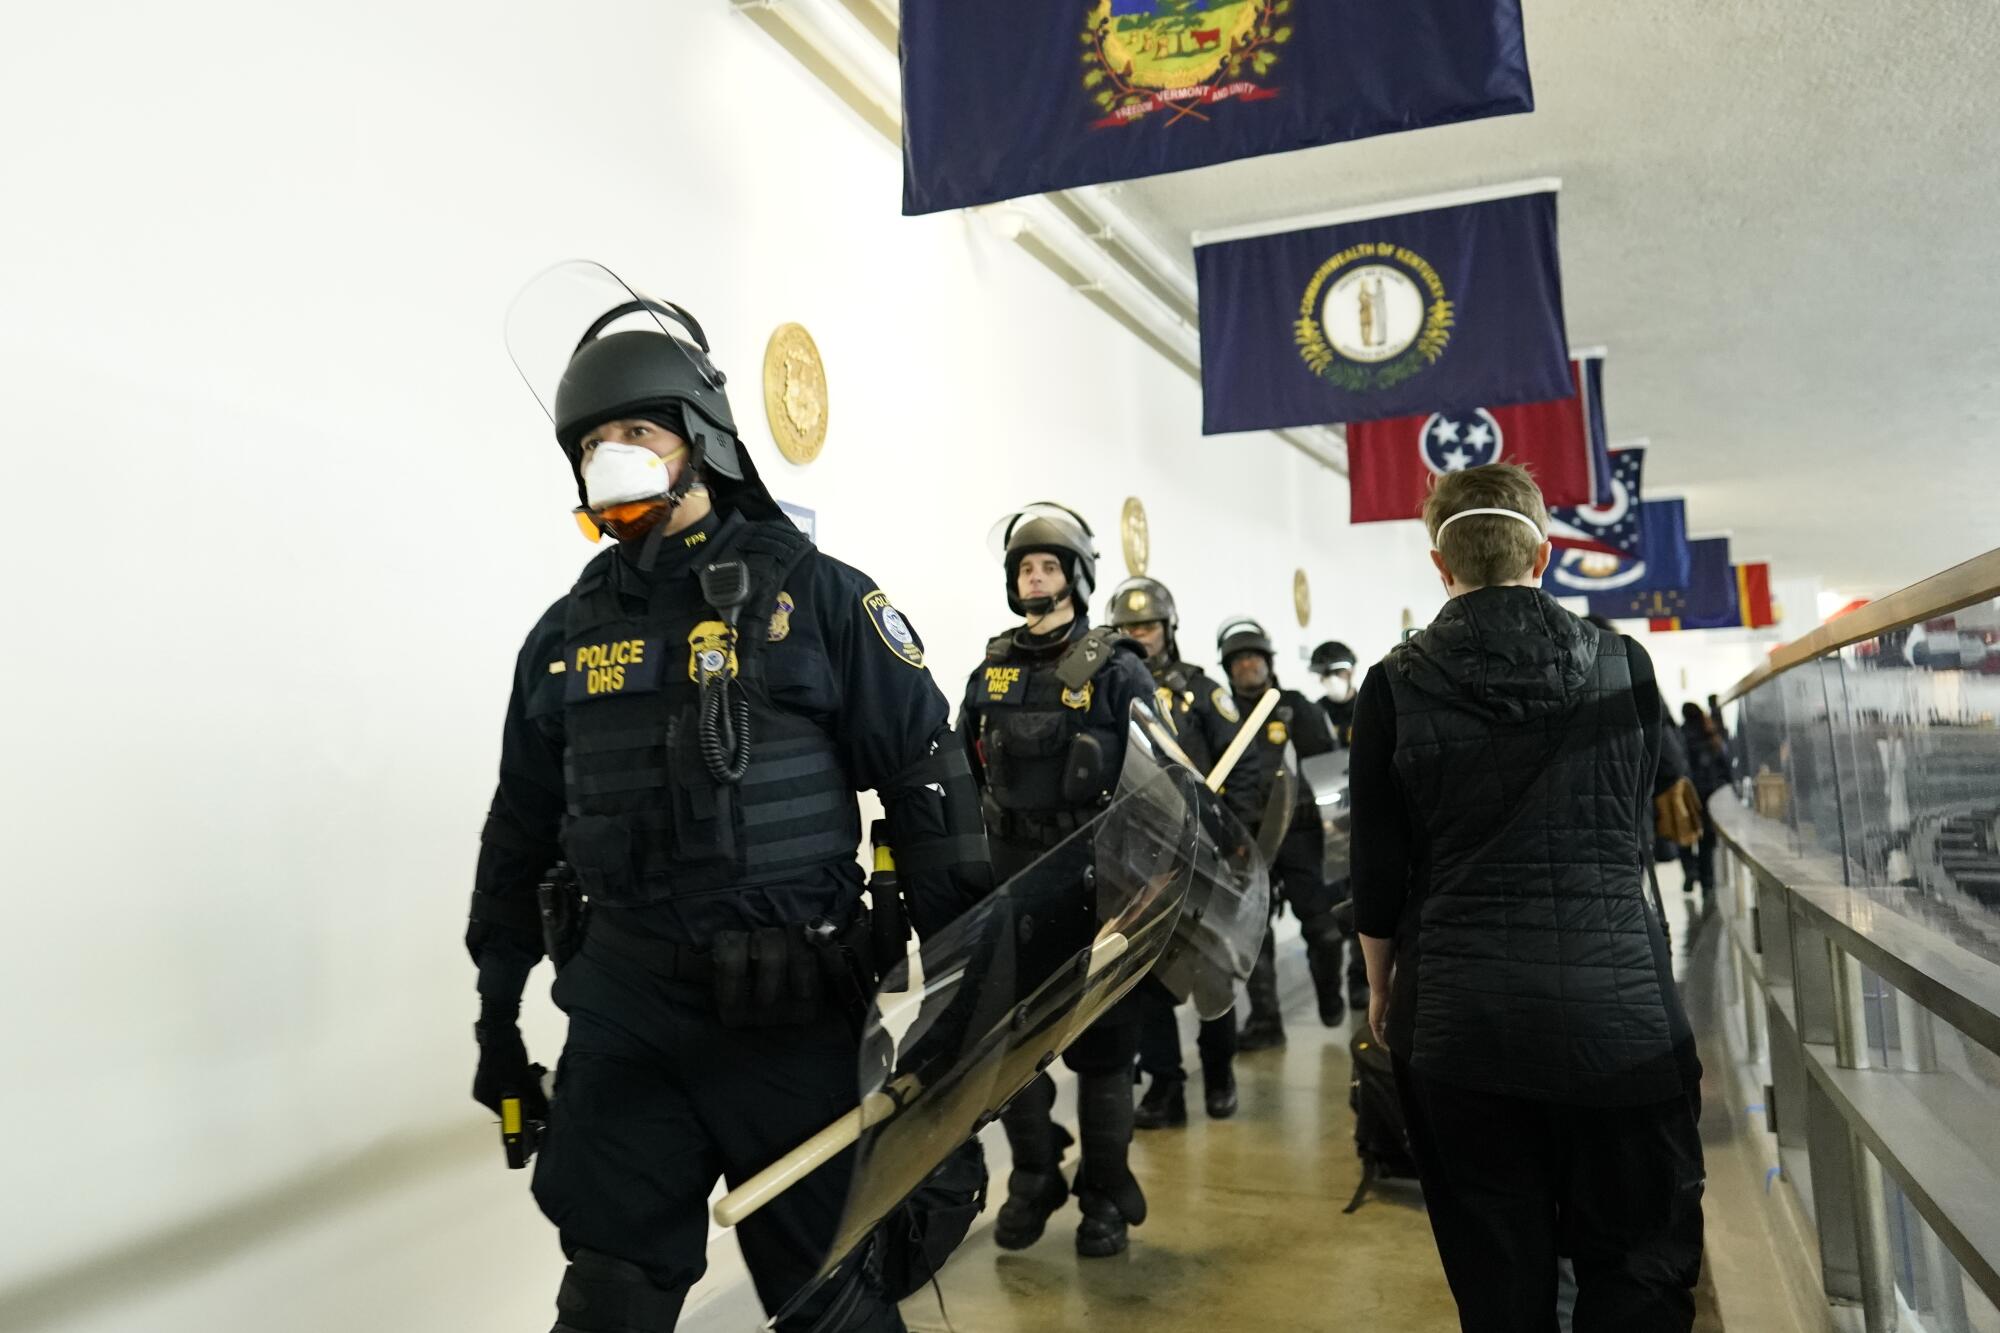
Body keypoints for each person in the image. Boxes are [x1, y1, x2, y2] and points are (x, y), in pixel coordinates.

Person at [467, 282, 990, 1332]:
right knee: (609, 1291)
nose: (608, 453)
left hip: (789, 1017)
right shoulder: (564, 636)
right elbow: (518, 831)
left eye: (635, 429)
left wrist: (966, 1019)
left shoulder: (822, 596)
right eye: (590, 440)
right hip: (622, 1013)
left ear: (698, 435)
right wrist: (495, 1010)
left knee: (830, 1294)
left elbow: (932, 800)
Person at [1350, 463, 1705, 1333]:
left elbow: (1377, 870)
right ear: (1542, 554)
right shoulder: (1625, 662)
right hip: (1620, 1011)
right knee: (1638, 1267)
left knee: (1499, 1276)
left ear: (1441, 565)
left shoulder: (1392, 684)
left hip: (1461, 1022)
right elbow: (1633, 827)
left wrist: (1383, 989)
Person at [959, 504, 1161, 1258]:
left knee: (1105, 1050)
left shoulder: (1117, 669)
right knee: (1007, 1046)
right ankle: (1036, 1172)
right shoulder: (990, 671)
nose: (1032, 576)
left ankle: (1105, 1190)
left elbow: (1162, 783)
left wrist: (1146, 889)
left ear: (1075, 577)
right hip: (1013, 885)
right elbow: (960, 773)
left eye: (1046, 565)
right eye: (1023, 567)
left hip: (1099, 883)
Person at [1104, 576, 1240, 1128]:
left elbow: (1244, 768)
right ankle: (1165, 1087)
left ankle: (1220, 1074)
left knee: (1212, 977)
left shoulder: (1203, 691)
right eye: (1130, 627)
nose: (1141, 635)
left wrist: (1232, 836)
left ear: (1169, 628)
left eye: (1149, 626)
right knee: (1150, 984)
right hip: (1138, 862)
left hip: (1203, 858)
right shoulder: (1109, 689)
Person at [1212, 617, 1342, 1043]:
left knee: (1323, 929)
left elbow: (1329, 772)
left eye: (1253, 657)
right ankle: (1266, 1021)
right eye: (1238, 660)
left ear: (1268, 661)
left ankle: (1330, 995)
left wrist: (1338, 842)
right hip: (1247, 842)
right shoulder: (1219, 713)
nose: (1247, 665)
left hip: (1302, 835)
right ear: (1228, 668)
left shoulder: (1297, 707)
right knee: (1253, 935)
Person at [1680, 702, 1732, 895]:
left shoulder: (1681, 734)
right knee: (1706, 840)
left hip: (1688, 793)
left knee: (1685, 834)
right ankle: (1707, 880)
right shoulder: (1711, 734)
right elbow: (1724, 764)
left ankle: (1690, 870)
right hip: (1710, 792)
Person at [1310, 639, 1360, 747]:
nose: (1331, 679)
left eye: (1337, 672)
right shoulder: (1315, 712)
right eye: (1325, 674)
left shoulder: (1368, 707)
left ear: (1351, 672)